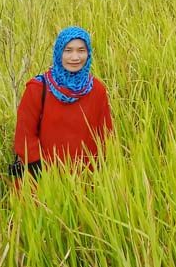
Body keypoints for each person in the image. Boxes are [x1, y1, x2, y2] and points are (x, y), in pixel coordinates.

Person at [10, 26, 113, 184]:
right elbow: (24, 135)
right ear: (59, 53)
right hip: (41, 179)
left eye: (81, 50)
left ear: (88, 53)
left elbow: (105, 135)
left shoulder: (97, 90)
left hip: (85, 180)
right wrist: (43, 175)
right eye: (68, 50)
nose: (75, 57)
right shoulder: (38, 88)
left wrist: (102, 176)